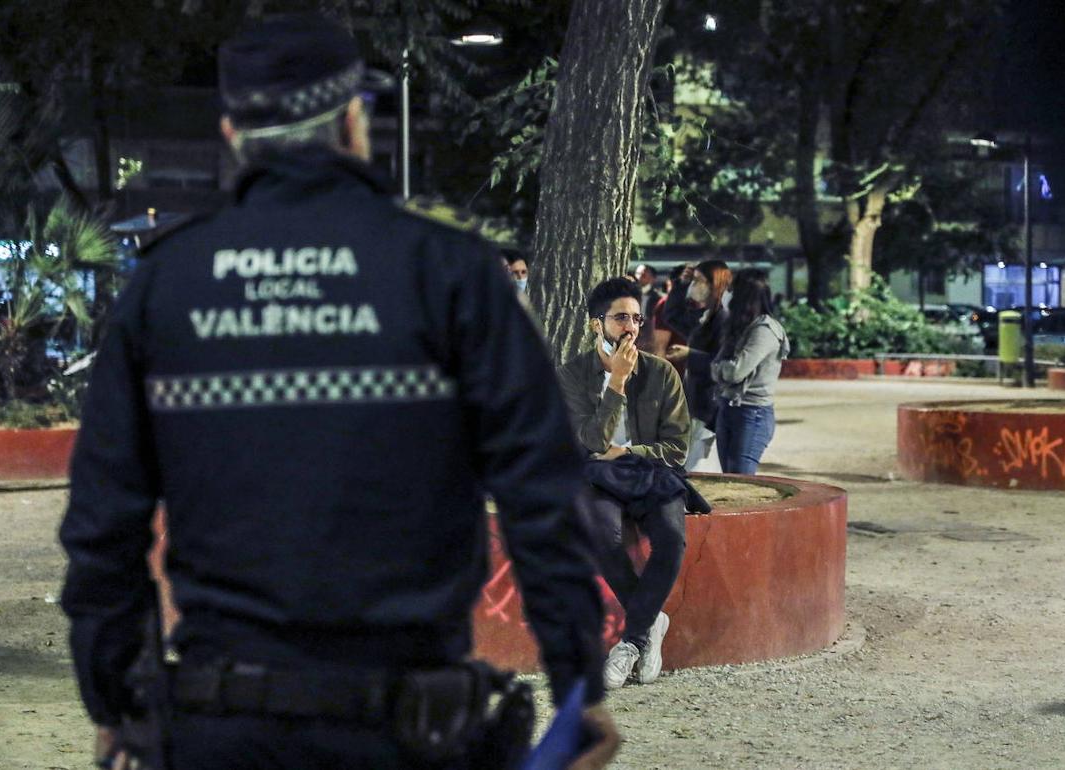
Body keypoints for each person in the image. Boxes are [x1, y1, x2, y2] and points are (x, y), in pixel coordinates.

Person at [58, 14, 619, 770]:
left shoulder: (164, 287)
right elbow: (542, 498)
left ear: (233, 135)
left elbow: (102, 526)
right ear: (354, 122)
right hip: (408, 734)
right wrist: (578, 692)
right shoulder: (449, 274)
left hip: (219, 732)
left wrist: (118, 702)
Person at [556, 278, 690, 690]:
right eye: (620, 318)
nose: (631, 327)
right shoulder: (572, 376)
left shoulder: (662, 372)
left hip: (651, 474)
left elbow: (677, 448)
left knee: (671, 538)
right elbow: (591, 443)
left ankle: (632, 639)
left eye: (636, 318)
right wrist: (615, 382)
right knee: (601, 536)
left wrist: (629, 453)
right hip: (597, 478)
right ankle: (651, 622)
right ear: (597, 325)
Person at [711, 268, 790, 475]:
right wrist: (721, 369)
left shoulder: (765, 330)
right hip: (728, 407)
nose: (728, 295)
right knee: (729, 478)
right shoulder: (740, 326)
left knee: (740, 481)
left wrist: (720, 369)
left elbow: (735, 371)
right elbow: (719, 365)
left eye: (732, 290)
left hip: (751, 414)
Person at [662, 260, 732, 470]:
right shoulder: (704, 316)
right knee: (684, 464)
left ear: (715, 284)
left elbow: (722, 364)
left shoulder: (722, 319)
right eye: (694, 280)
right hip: (693, 404)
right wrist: (680, 284)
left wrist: (689, 354)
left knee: (694, 467)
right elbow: (672, 316)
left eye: (699, 281)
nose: (695, 285)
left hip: (709, 407)